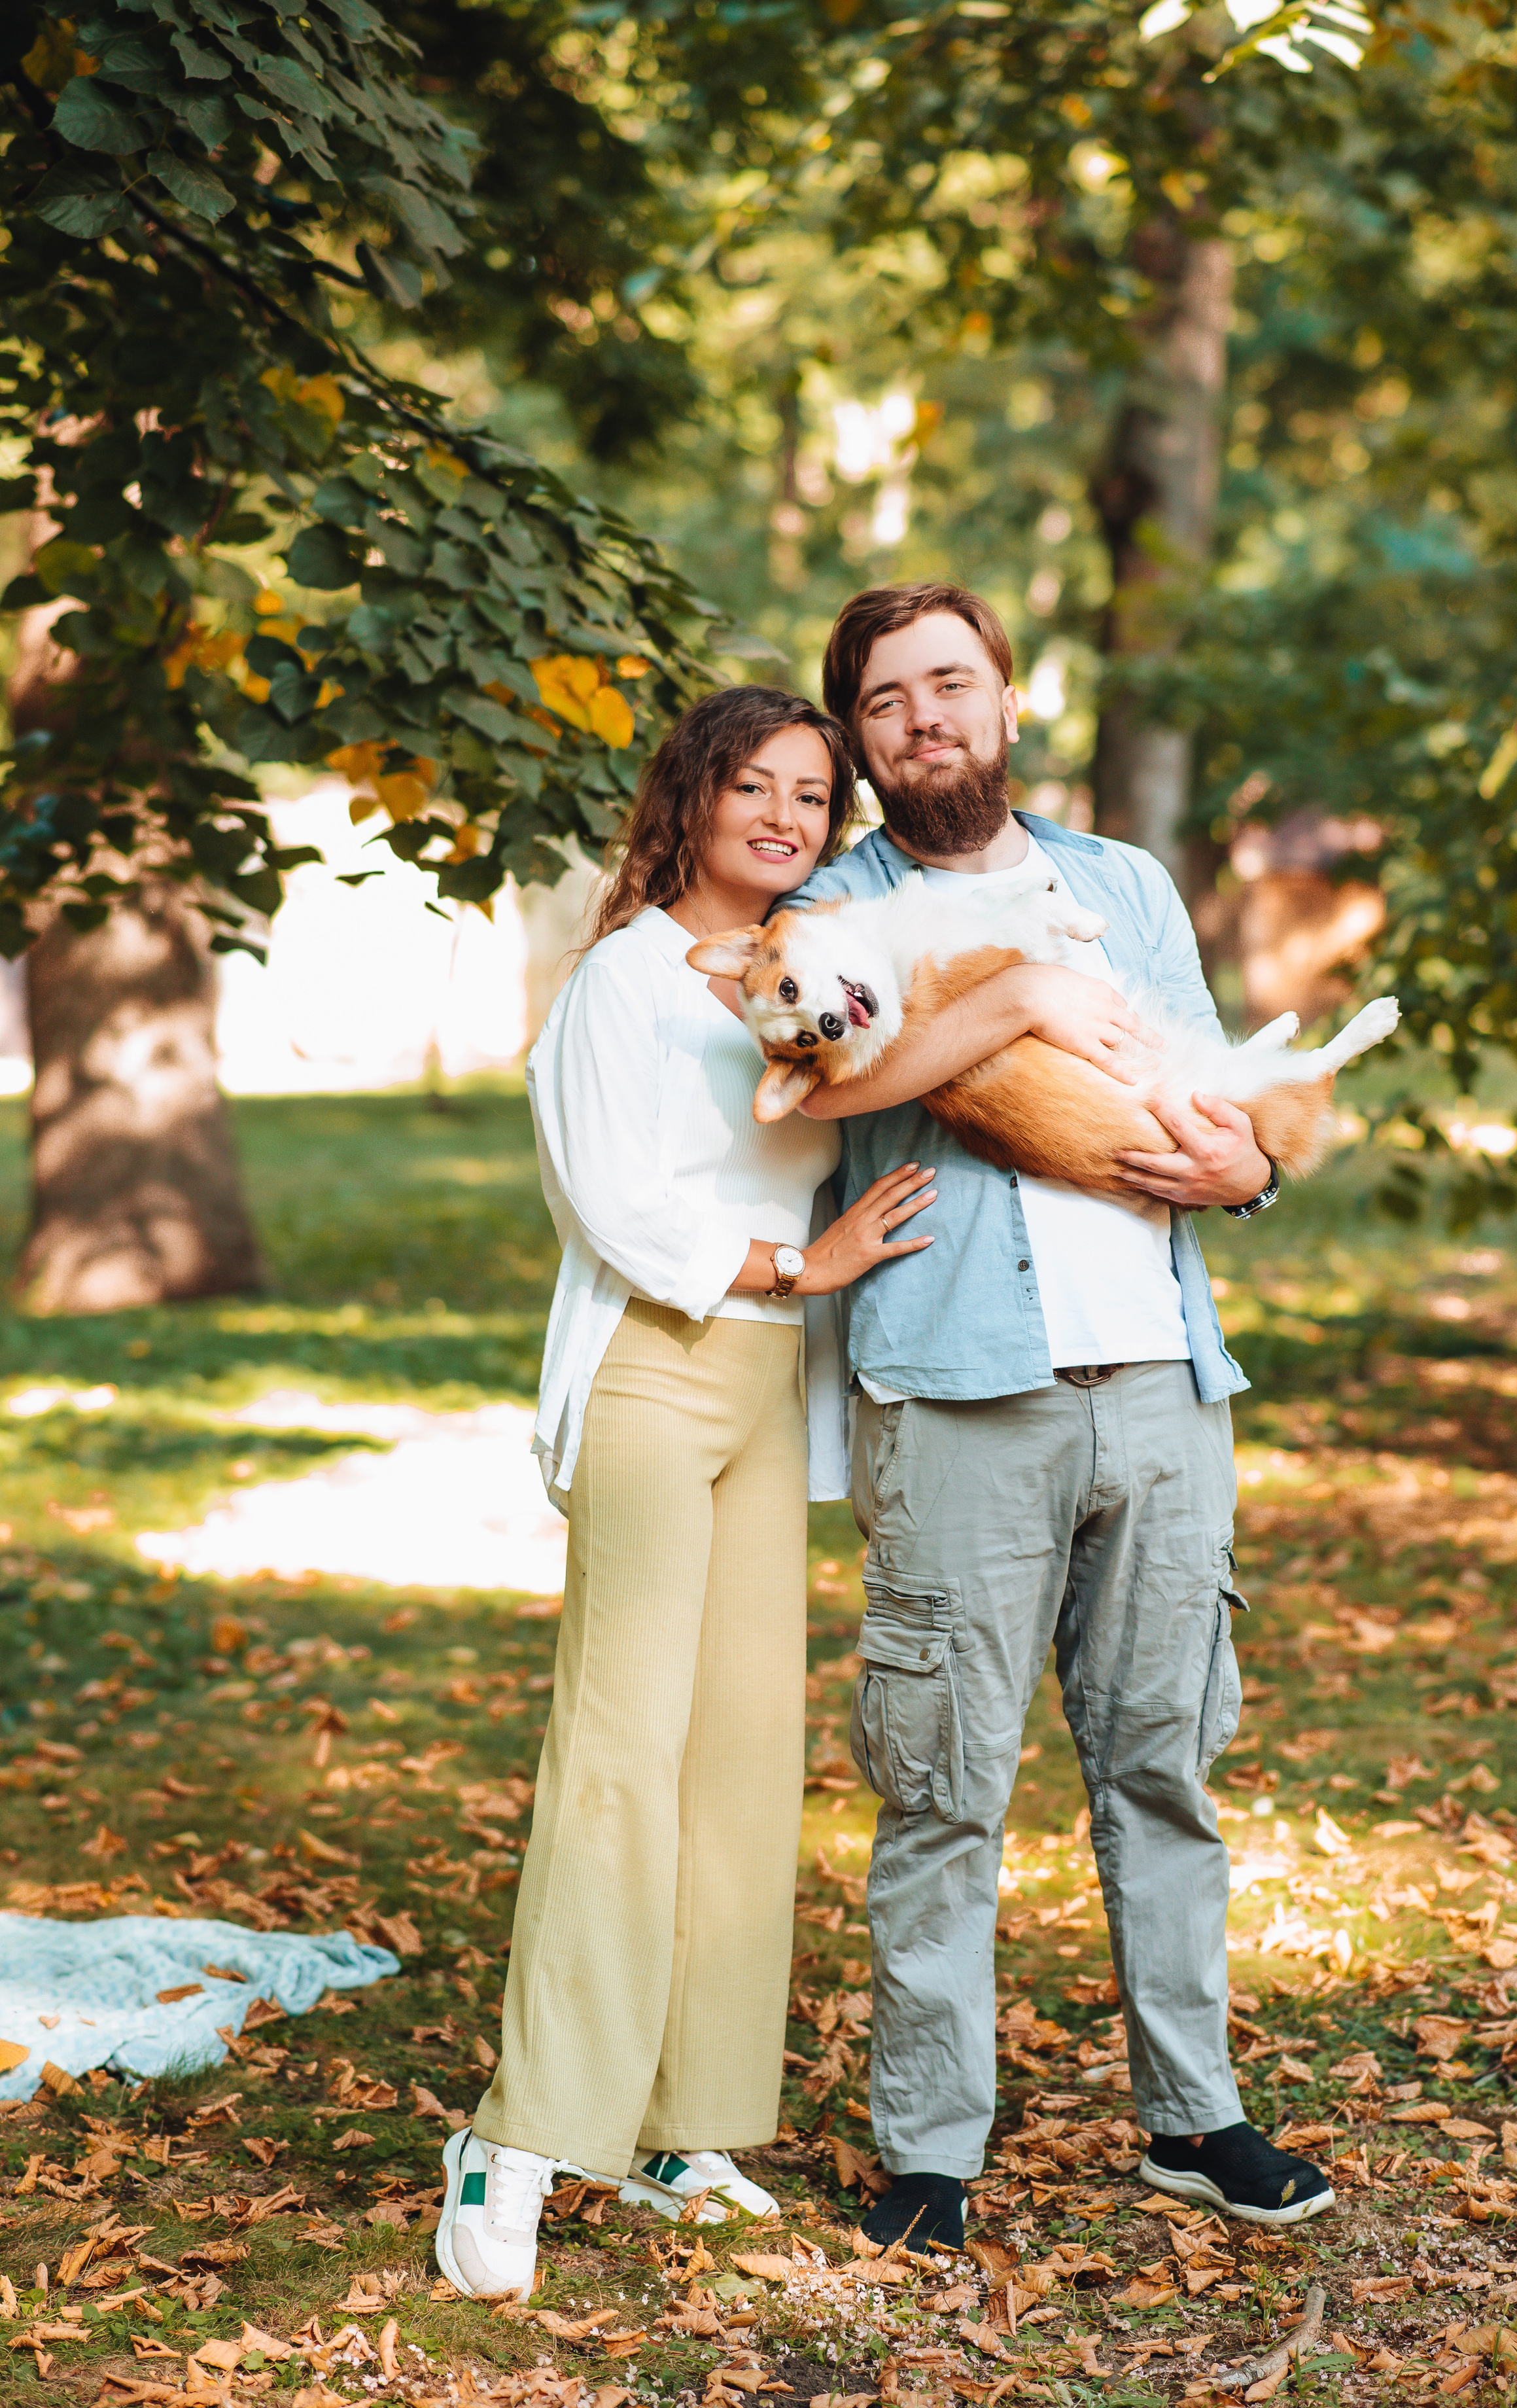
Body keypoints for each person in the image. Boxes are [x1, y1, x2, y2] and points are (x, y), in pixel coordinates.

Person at [780, 582, 1334, 2246]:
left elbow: (1217, 1088)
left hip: (1160, 1381)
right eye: (886, 701)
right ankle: (928, 2151)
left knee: (1162, 1762)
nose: (924, 719)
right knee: (944, 1784)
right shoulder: (833, 904)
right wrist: (1017, 999)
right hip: (958, 1391)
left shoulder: (1122, 884)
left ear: (1007, 702)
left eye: (950, 683)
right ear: (859, 737)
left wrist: (1249, 1168)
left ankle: (1194, 2115)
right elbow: (833, 1071)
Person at [434, 684, 937, 2302]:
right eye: (756, 786)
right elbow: (611, 1202)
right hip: (656, 1365)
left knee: (739, 1758)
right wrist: (804, 1262)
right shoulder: (621, 979)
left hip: (769, 1388)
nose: (787, 816)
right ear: (694, 797)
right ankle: (518, 2135)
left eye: (813, 794)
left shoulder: (816, 969)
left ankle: (680, 2125)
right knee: (620, 1750)